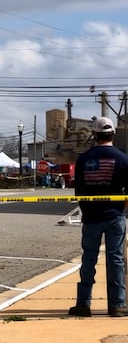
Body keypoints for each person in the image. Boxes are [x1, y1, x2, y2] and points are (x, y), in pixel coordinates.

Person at [69, 117, 128, 317]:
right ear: (112, 134)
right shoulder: (122, 158)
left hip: (91, 217)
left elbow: (79, 193)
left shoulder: (83, 159)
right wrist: (121, 209)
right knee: (116, 260)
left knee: (88, 259)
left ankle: (83, 303)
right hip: (115, 216)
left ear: (94, 135)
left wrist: (86, 210)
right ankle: (117, 304)